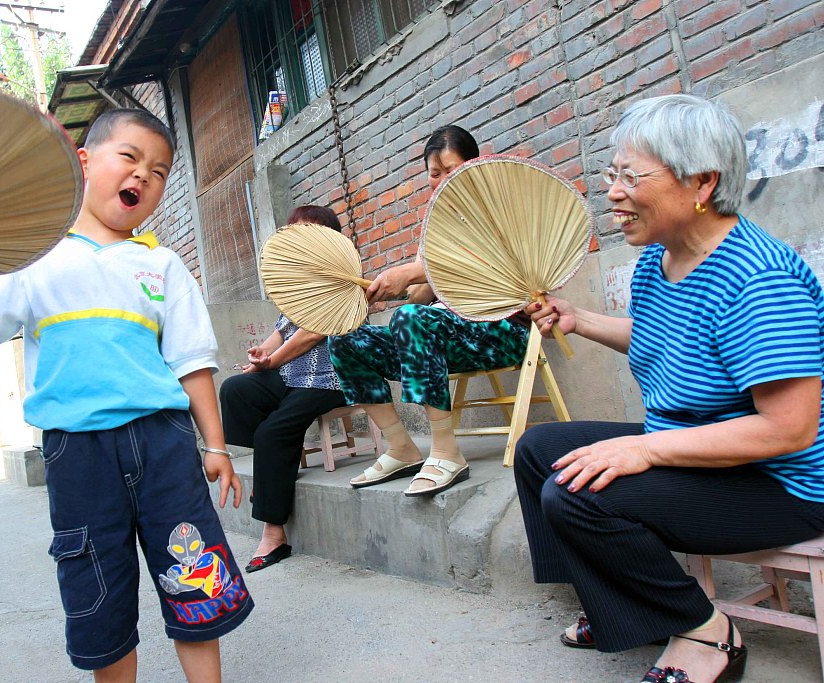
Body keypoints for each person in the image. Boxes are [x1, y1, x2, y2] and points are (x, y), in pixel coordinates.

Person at [0, 108, 253, 683]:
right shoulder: (31, 257)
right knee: (97, 590)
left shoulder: (161, 264)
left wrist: (215, 446)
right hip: (77, 453)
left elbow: (191, 363)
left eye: (160, 171)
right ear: (84, 163)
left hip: (163, 446)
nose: (144, 175)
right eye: (130, 158)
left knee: (194, 575)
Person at [515, 94, 824, 683]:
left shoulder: (758, 279)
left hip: (783, 484)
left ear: (701, 182)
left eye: (631, 176)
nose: (612, 192)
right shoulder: (663, 260)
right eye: (613, 174)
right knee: (540, 450)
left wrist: (646, 450)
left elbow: (790, 428)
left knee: (576, 493)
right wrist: (580, 319)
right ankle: (620, 607)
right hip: (702, 450)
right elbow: (666, 336)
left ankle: (709, 633)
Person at [329, 125, 529, 496]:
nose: (440, 181)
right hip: (446, 334)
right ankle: (401, 447)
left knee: (412, 321)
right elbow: (422, 294)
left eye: (449, 170)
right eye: (434, 174)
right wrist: (384, 294)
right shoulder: (435, 223)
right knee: (346, 338)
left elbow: (485, 264)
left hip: (502, 332)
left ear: (474, 164)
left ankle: (447, 452)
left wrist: (409, 271)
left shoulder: (499, 210)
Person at [219, 205, 348, 572]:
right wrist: (264, 350)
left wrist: (274, 360)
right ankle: (274, 469)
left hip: (331, 377)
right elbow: (285, 329)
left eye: (307, 231)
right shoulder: (297, 282)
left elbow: (311, 334)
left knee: (273, 432)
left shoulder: (341, 277)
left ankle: (274, 536)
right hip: (293, 376)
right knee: (236, 390)